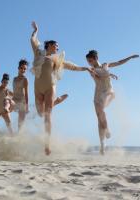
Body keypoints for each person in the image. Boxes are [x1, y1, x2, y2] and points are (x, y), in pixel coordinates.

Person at [30, 21, 93, 155]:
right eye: (55, 45)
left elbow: (73, 66)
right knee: (40, 113)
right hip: (37, 88)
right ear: (49, 45)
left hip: (50, 88)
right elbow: (33, 40)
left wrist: (86, 68)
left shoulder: (57, 59)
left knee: (47, 116)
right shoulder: (38, 54)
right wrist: (36, 30)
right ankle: (55, 101)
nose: (57, 48)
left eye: (58, 46)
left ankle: (47, 145)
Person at [85, 50, 139, 155]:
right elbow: (99, 77)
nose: (89, 63)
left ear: (96, 58)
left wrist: (130, 57)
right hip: (97, 94)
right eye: (88, 61)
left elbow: (119, 62)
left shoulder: (106, 65)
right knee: (99, 119)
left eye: (90, 60)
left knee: (101, 112)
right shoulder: (91, 69)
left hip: (108, 92)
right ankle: (102, 145)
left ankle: (107, 130)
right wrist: (110, 74)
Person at [12, 59, 29, 131]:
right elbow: (14, 91)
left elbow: (26, 93)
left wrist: (27, 106)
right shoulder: (14, 79)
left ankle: (19, 138)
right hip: (14, 100)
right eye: (21, 68)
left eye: (25, 69)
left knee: (20, 125)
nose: (23, 70)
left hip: (22, 102)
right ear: (18, 68)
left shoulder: (25, 79)